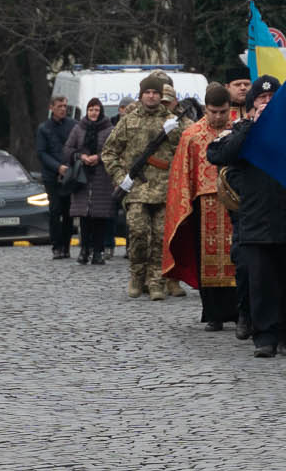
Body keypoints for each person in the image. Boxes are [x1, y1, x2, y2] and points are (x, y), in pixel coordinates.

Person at [207, 77, 286, 358]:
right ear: (252, 104)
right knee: (261, 282)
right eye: (261, 99)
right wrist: (250, 128)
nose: (267, 103)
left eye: (272, 99)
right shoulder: (242, 131)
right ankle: (264, 337)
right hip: (255, 221)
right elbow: (218, 154)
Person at [159, 83, 241, 329]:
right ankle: (213, 313)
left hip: (236, 204)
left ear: (230, 109)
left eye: (223, 112)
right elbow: (181, 176)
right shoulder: (191, 135)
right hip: (204, 206)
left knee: (238, 258)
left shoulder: (240, 130)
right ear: (206, 108)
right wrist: (185, 207)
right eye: (213, 112)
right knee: (208, 262)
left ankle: (240, 312)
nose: (218, 117)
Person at [102, 72, 182, 300]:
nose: (151, 96)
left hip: (164, 189)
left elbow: (184, 151)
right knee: (138, 234)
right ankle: (137, 275)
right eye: (147, 92)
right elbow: (109, 152)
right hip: (136, 190)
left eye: (155, 92)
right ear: (141, 95)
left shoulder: (172, 121)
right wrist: (120, 178)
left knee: (159, 238)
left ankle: (156, 281)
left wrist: (173, 132)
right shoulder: (128, 120)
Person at [65, 99, 118, 263]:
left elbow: (115, 151)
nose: (93, 113)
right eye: (90, 110)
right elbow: (68, 149)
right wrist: (81, 156)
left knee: (100, 218)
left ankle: (98, 251)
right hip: (82, 177)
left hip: (102, 177)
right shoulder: (79, 128)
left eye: (96, 110)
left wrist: (99, 158)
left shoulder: (109, 129)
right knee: (84, 217)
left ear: (100, 111)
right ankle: (84, 250)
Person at [35, 97, 77, 260]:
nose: (63, 109)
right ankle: (56, 245)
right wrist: (58, 167)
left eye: (65, 106)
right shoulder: (44, 128)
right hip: (51, 176)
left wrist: (69, 167)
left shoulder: (72, 125)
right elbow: (42, 152)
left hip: (69, 174)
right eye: (60, 106)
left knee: (68, 212)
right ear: (52, 107)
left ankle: (66, 246)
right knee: (55, 210)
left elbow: (76, 146)